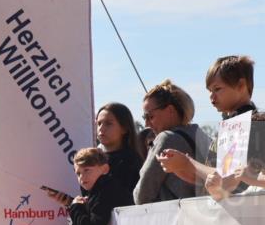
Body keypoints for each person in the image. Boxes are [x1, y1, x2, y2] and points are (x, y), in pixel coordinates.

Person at [158, 56, 255, 193]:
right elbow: (215, 178)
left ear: (241, 86)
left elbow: (226, 180)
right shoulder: (237, 121)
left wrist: (188, 163)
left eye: (217, 89)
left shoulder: (241, 123)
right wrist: (181, 167)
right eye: (210, 90)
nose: (212, 96)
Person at [134, 80, 209, 204]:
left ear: (170, 110)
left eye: (150, 116)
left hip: (177, 220)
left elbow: (141, 196)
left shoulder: (166, 138)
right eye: (144, 118)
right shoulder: (202, 135)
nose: (146, 123)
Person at [68, 148, 134, 225]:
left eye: (87, 170)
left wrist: (76, 207)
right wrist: (78, 208)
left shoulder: (107, 189)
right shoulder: (94, 192)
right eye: (78, 173)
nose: (82, 177)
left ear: (104, 169)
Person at [95, 102, 143, 191]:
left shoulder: (131, 161)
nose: (101, 129)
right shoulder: (93, 159)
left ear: (124, 128)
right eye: (99, 123)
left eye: (108, 123)